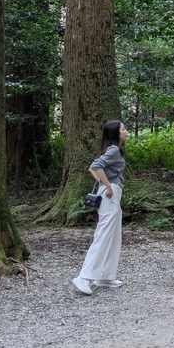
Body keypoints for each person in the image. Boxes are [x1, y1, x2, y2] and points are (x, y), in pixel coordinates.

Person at [72, 120, 128, 296]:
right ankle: (84, 277)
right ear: (116, 134)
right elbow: (95, 166)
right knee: (103, 236)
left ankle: (105, 275)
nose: (126, 132)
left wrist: (104, 184)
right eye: (123, 129)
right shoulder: (114, 149)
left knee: (113, 235)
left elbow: (92, 168)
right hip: (110, 195)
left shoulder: (111, 149)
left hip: (111, 195)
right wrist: (107, 185)